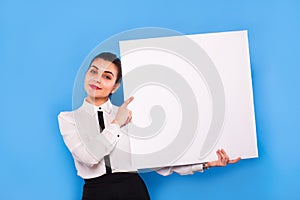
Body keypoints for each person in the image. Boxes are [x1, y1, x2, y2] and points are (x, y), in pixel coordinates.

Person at [58, 52, 241, 200]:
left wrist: (206, 163)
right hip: (95, 193)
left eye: (107, 76)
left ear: (115, 86)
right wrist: (116, 124)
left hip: (133, 191)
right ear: (86, 74)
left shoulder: (130, 114)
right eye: (93, 72)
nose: (97, 79)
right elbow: (88, 157)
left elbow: (158, 162)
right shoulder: (68, 119)